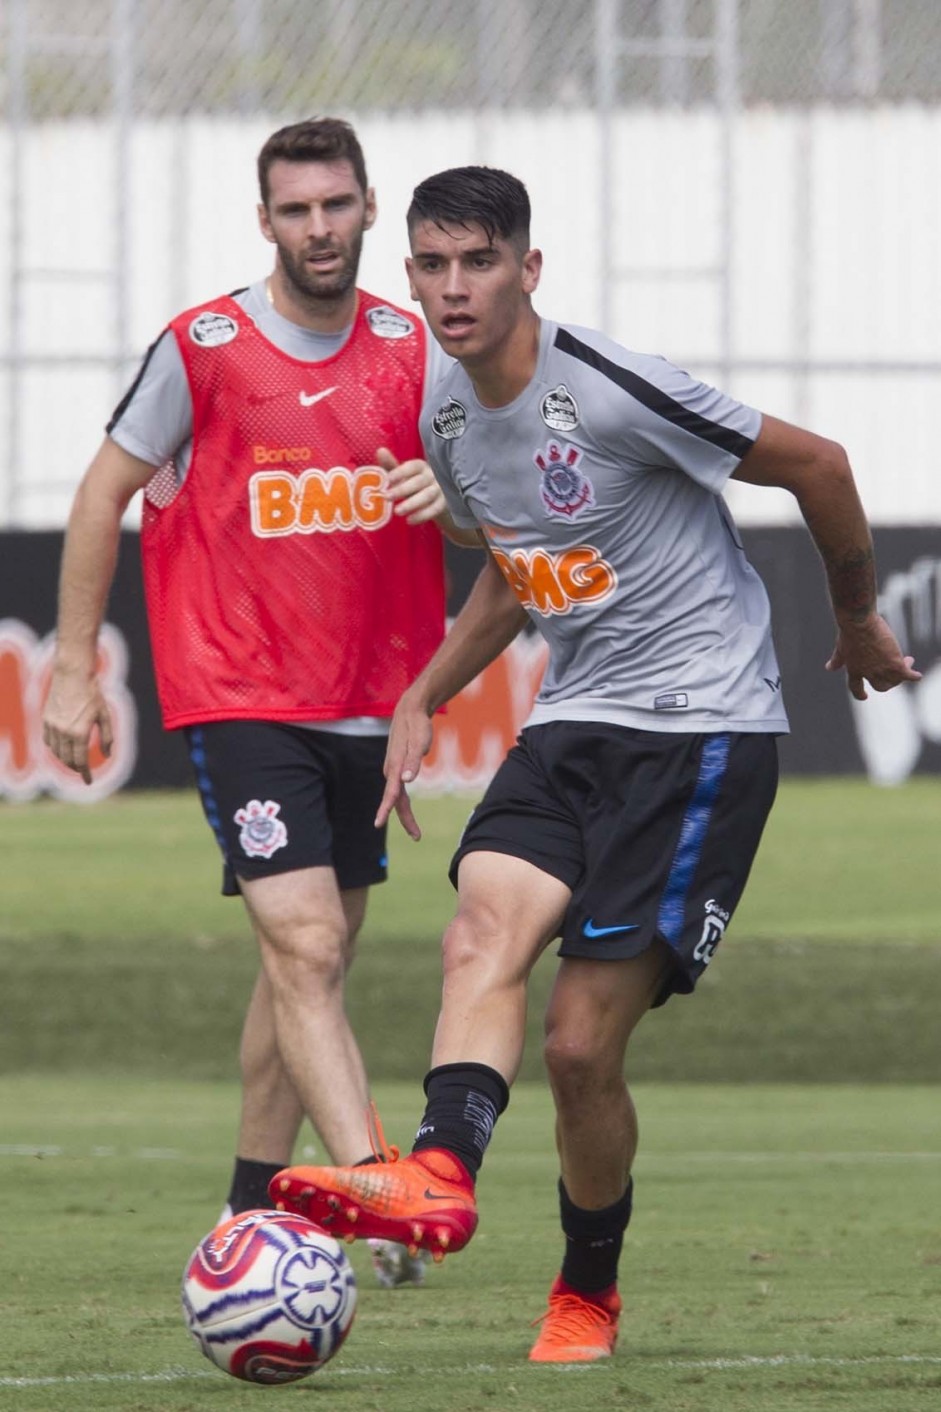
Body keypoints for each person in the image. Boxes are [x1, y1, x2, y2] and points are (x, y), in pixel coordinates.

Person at [269, 164, 920, 1357]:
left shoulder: (610, 386)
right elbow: (517, 568)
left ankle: (587, 1288)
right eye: (430, 265)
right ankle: (437, 1175)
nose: (452, 289)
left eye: (477, 262)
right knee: (479, 923)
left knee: (578, 1047)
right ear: (407, 274)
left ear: (528, 267)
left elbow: (818, 463)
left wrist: (857, 618)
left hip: (700, 730)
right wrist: (424, 691)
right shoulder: (444, 412)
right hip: (573, 722)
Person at [41, 119, 474, 1290]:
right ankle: (371, 1180)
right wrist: (74, 664)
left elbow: (491, 519)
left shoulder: (415, 349)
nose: (318, 229)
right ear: (264, 220)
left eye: (336, 205)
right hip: (238, 696)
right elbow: (100, 495)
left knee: (303, 972)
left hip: (368, 711)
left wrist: (451, 497)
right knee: (306, 942)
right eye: (295, 210)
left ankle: (249, 1213)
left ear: (369, 208)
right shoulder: (204, 347)